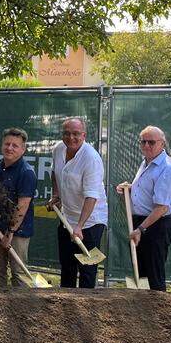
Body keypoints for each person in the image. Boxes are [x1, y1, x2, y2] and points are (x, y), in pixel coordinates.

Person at [116, 126, 171, 292]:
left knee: (153, 272)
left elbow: (162, 207)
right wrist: (129, 189)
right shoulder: (146, 162)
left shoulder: (167, 168)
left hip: (157, 223)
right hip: (141, 222)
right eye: (143, 142)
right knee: (141, 271)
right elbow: (148, 191)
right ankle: (142, 309)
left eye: (151, 142)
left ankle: (159, 312)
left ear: (162, 144)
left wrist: (141, 229)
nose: (146, 146)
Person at [47, 117, 108, 288]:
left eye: (75, 134)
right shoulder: (59, 149)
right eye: (66, 133)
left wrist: (80, 226)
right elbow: (54, 173)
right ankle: (67, 308)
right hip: (67, 218)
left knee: (87, 268)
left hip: (91, 221)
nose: (70, 138)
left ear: (84, 135)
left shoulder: (91, 159)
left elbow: (91, 197)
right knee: (67, 266)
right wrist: (56, 194)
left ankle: (87, 308)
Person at [0, 127, 36, 288]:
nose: (10, 148)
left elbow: (22, 206)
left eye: (15, 145)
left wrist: (10, 232)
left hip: (17, 232)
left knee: (18, 274)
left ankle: (22, 310)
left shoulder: (26, 173)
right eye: (7, 144)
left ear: (23, 149)